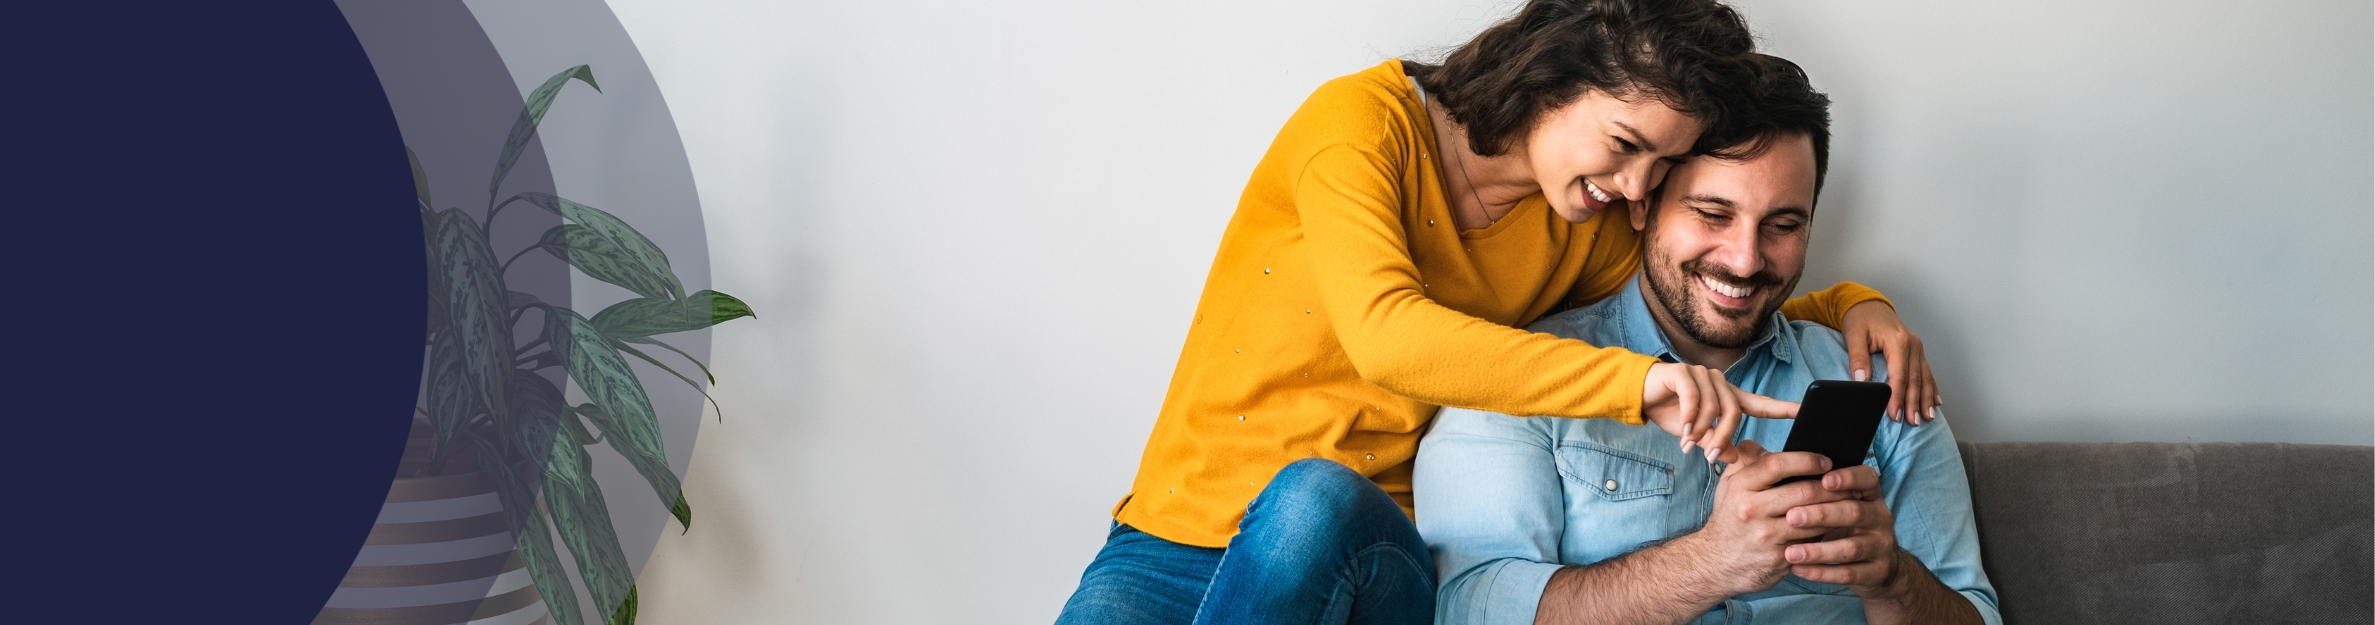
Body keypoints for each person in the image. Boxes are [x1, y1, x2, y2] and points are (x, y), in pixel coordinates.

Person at [1055, 1, 1944, 623]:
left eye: (1658, 166)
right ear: (1551, 80)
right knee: (1300, 493)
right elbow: (1388, 335)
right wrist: (1638, 384)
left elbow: (1713, 292)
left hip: (1372, 553)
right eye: (1625, 145)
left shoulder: (1585, 221)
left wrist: (1854, 303)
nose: (1634, 186)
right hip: (1176, 532)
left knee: (1317, 496)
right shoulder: (1361, 126)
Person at [1414, 56, 1998, 625]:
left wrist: (1892, 579)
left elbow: (1975, 614)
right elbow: (1466, 607)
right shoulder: (1523, 377)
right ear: (1643, 206)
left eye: (1782, 226)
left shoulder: (1883, 378)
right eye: (1713, 214)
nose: (1745, 261)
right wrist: (1710, 563)